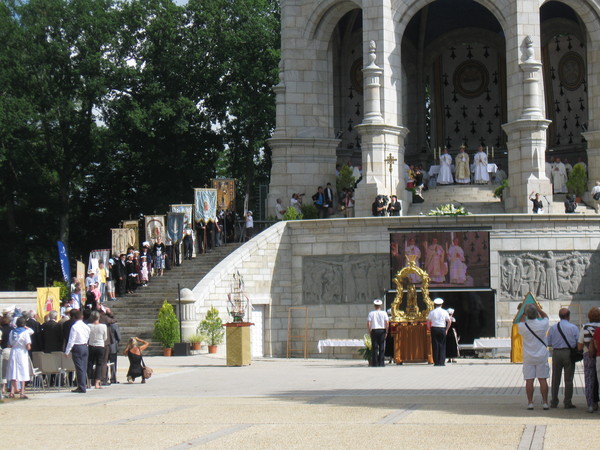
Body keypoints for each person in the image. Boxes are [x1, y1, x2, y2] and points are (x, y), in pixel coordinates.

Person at [518, 304, 550, 410]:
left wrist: (523, 312)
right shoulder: (543, 324)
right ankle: (545, 402)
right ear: (536, 314)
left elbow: (521, 320)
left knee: (529, 380)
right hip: (541, 355)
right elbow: (546, 317)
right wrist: (539, 309)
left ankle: (530, 402)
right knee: (542, 379)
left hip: (528, 356)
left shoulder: (523, 326)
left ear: (527, 314)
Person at [547, 308, 580, 409]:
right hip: (568, 353)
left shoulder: (553, 328)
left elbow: (549, 343)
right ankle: (567, 402)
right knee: (568, 379)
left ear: (559, 316)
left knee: (555, 378)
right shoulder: (573, 327)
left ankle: (554, 401)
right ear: (568, 316)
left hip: (556, 353)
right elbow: (578, 342)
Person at [578, 307, 600, 413]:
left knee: (589, 380)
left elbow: (579, 345)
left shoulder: (585, 327)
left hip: (588, 355)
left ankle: (591, 404)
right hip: (599, 354)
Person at [5, 317, 33, 399]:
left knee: (13, 370)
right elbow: (28, 346)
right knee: (22, 371)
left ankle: (12, 392)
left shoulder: (12, 332)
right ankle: (22, 392)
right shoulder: (25, 332)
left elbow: (9, 344)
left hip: (13, 352)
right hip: (22, 352)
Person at [64, 309, 90, 393]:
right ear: (82, 317)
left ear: (74, 318)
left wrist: (67, 351)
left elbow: (72, 339)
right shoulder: (86, 326)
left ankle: (81, 386)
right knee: (83, 367)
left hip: (77, 347)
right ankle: (83, 384)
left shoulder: (74, 327)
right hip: (85, 346)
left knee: (79, 368)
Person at [87, 310, 107, 390]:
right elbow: (105, 337)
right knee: (99, 364)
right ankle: (97, 383)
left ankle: (88, 382)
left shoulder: (88, 325)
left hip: (91, 345)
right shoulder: (103, 326)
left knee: (90, 364)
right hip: (100, 345)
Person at [427, 298, 451, 366]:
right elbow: (449, 321)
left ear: (435, 304)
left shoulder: (432, 312)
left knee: (435, 345)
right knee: (442, 345)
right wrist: (446, 329)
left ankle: (436, 362)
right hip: (442, 328)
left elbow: (428, 321)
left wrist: (429, 328)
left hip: (434, 328)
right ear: (441, 304)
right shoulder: (444, 312)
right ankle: (442, 362)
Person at [367, 299, 389, 367]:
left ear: (374, 306)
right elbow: (387, 322)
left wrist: (369, 330)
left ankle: (375, 363)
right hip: (382, 330)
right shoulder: (384, 313)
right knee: (382, 347)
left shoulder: (371, 313)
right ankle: (381, 363)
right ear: (380, 306)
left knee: (375, 347)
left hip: (374, 330)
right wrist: (386, 331)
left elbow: (369, 323)